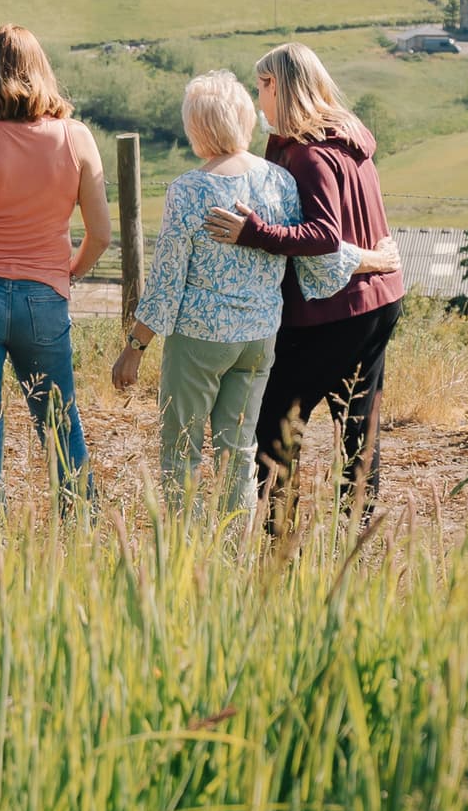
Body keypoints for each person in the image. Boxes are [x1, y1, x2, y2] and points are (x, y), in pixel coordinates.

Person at [113, 70, 353, 508]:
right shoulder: (278, 180)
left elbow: (167, 283)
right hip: (259, 339)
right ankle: (232, 562)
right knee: (238, 456)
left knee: (181, 455)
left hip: (200, 339)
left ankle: (186, 558)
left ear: (196, 127)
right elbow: (313, 250)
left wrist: (135, 345)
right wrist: (368, 259)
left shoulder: (188, 190)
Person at [200, 43, 407, 532]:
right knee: (358, 425)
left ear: (279, 86)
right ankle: (349, 536)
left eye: (261, 86)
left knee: (275, 421)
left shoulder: (310, 155)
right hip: (377, 299)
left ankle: (279, 538)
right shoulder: (348, 139)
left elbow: (322, 236)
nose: (257, 99)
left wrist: (251, 233)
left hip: (330, 312)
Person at [0, 25, 110, 504]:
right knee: (59, 424)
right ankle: (80, 534)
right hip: (43, 298)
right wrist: (65, 272)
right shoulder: (77, 139)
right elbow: (102, 234)